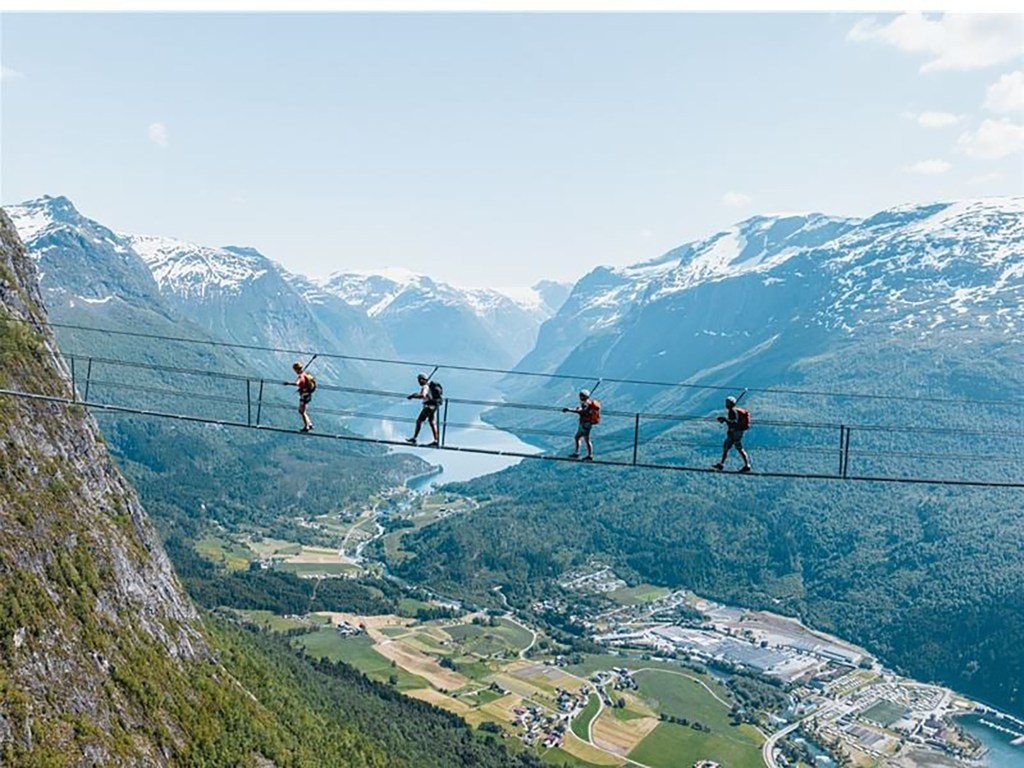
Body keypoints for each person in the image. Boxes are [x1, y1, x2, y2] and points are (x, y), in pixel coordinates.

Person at [714, 395, 751, 472]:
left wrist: (725, 419)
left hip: (736, 432)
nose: (726, 404)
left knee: (738, 448)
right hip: (734, 432)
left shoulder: (732, 412)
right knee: (727, 447)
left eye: (727, 403)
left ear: (730, 404)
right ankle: (721, 464)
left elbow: (734, 422)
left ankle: (747, 465)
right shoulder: (732, 411)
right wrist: (725, 420)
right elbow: (732, 422)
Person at [562, 389, 600, 461]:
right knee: (579, 438)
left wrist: (570, 409)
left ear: (584, 396)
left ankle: (586, 455)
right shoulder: (588, 402)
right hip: (587, 423)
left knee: (585, 439)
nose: (580, 397)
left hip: (585, 424)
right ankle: (582, 454)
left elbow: (583, 412)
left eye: (581, 396)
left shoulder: (585, 403)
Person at [405, 372, 441, 447]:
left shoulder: (425, 387)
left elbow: (423, 395)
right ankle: (436, 440)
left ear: (423, 380)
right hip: (433, 406)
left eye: (419, 380)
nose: (418, 382)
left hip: (428, 407)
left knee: (419, 421)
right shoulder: (429, 385)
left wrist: (413, 396)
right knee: (432, 422)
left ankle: (414, 438)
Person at [293, 361, 315, 432]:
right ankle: (309, 424)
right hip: (308, 394)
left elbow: (297, 383)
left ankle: (307, 426)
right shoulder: (305, 374)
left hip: (304, 396)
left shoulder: (301, 376)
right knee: (303, 411)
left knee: (301, 411)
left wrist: (288, 383)